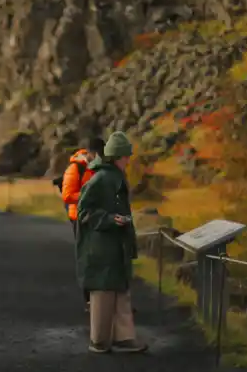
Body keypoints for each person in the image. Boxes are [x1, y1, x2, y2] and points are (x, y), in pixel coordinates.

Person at [76, 131, 148, 354]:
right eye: (126, 156)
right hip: (102, 247)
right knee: (104, 292)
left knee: (121, 290)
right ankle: (99, 340)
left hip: (116, 244)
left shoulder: (113, 177)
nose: (128, 160)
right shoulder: (101, 179)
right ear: (117, 156)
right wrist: (109, 219)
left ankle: (123, 337)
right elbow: (83, 212)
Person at [61, 136, 105, 312]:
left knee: (99, 255)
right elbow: (67, 195)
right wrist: (89, 194)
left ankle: (101, 297)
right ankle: (88, 299)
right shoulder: (75, 168)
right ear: (90, 153)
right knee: (87, 257)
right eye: (98, 154)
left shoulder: (100, 166)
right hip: (79, 218)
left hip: (98, 216)